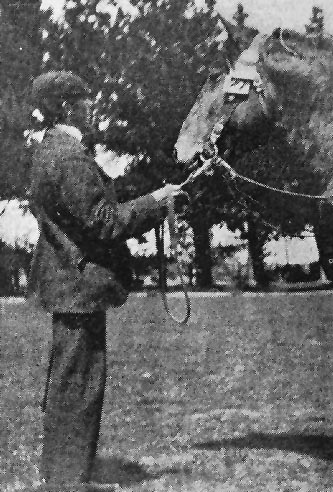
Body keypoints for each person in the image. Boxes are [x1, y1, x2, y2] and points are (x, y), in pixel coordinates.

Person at [26, 70, 181, 491]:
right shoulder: (69, 157)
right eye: (83, 101)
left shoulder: (52, 151)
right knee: (79, 384)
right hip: (78, 287)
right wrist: (154, 203)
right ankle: (68, 483)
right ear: (66, 107)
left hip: (68, 284)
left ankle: (63, 477)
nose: (90, 107)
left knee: (70, 382)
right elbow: (104, 223)